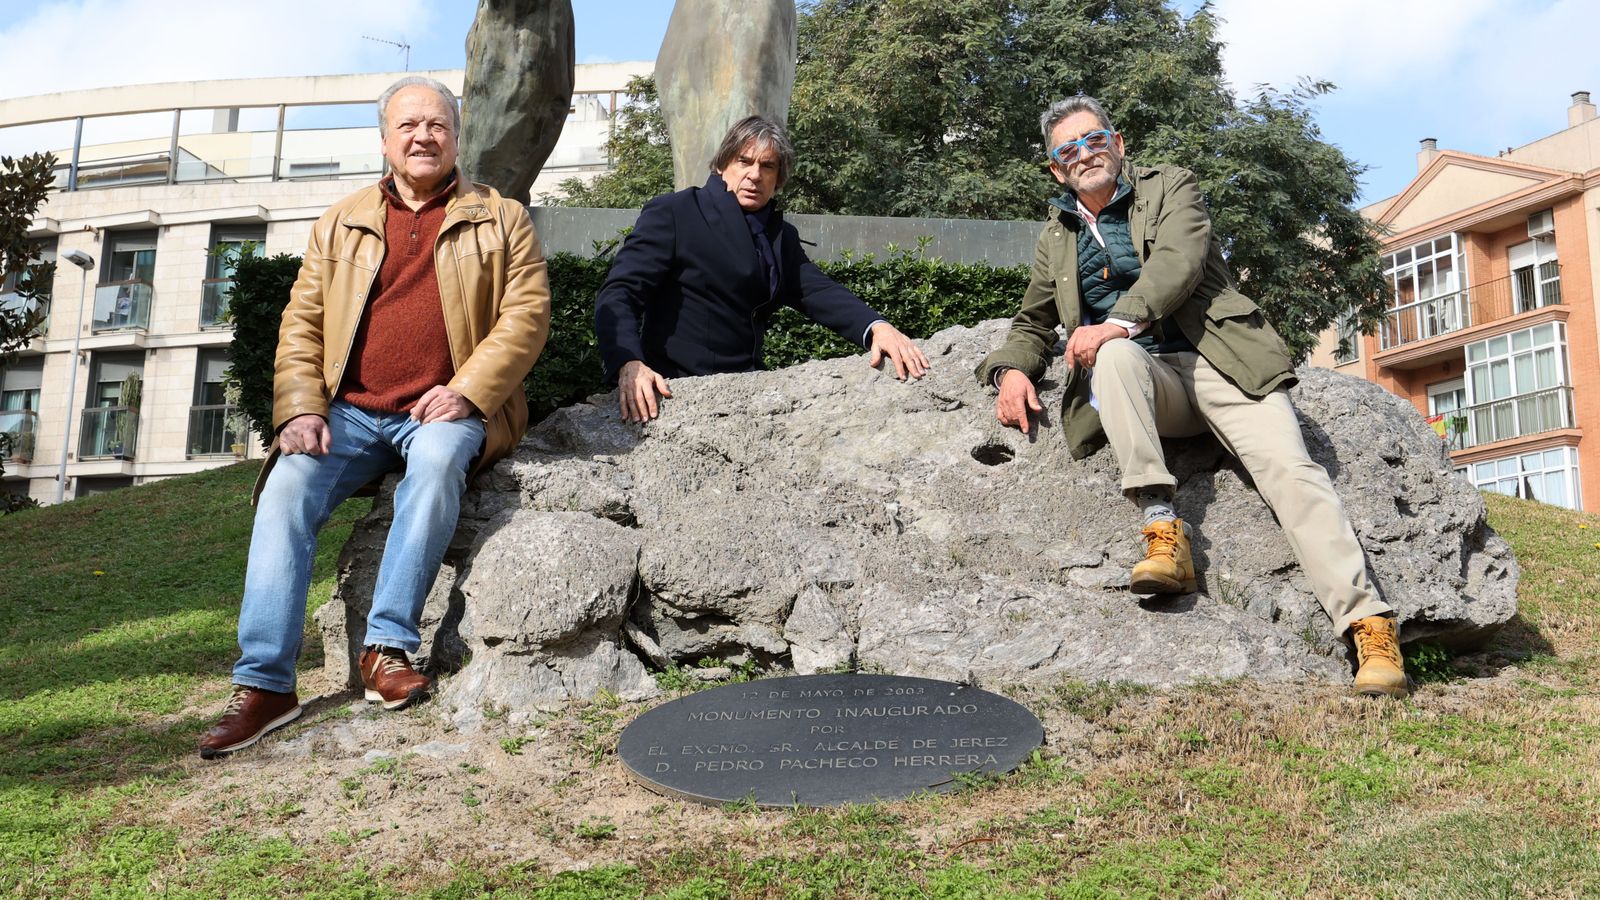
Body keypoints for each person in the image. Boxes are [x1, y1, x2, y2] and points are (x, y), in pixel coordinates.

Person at [976, 95, 1408, 698]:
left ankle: (1368, 626)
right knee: (1117, 357)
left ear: (1118, 143)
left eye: (1094, 140)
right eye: (1068, 149)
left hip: (1223, 364)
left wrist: (1113, 322)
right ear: (1056, 169)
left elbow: (1177, 264)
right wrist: (1012, 371)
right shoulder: (1058, 234)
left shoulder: (1172, 186)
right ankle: (1164, 533)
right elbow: (1032, 321)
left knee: (1293, 471)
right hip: (1150, 385)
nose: (1085, 154)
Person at [199, 76, 552, 759]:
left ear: (456, 135)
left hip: (442, 407)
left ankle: (386, 648)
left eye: (437, 125)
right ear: (385, 139)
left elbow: (526, 316)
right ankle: (266, 683)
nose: (424, 136)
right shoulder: (342, 219)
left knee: (439, 458)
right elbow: (301, 324)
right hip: (349, 412)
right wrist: (299, 408)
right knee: (284, 489)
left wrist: (469, 390)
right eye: (408, 125)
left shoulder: (501, 216)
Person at [594, 116, 929, 422]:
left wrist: (878, 327)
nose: (754, 174)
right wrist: (628, 361)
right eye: (744, 161)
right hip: (675, 394)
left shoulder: (780, 235)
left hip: (747, 395)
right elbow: (620, 293)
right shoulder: (676, 212)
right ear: (723, 165)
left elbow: (817, 291)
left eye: (767, 166)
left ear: (778, 179)